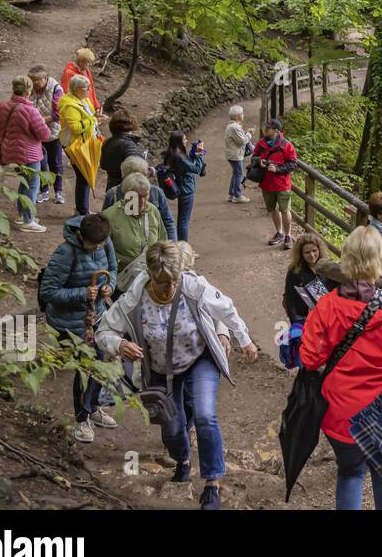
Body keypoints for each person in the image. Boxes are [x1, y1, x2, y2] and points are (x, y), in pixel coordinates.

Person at [97, 241, 258, 510]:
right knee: (172, 428)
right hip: (160, 369)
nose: (171, 287)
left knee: (205, 415)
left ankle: (212, 484)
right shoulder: (133, 300)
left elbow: (226, 308)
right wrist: (119, 345)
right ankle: (182, 461)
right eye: (163, 282)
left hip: (198, 359)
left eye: (175, 280)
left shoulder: (194, 287)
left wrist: (244, 340)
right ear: (149, 275)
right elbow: (104, 331)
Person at [300, 227, 382, 510]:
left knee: (350, 474)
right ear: (380, 260)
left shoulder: (326, 307)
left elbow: (310, 359)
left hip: (342, 413)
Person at [39, 212, 120, 442]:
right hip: (69, 323)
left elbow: (113, 269)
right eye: (90, 245)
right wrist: (82, 293)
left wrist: (109, 287)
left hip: (96, 317)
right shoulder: (66, 253)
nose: (94, 249)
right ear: (81, 236)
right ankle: (82, 418)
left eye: (98, 245)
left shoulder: (105, 242)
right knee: (87, 367)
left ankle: (92, 408)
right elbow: (48, 292)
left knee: (99, 362)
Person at [0, 75, 53, 233]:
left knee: (23, 183)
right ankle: (27, 220)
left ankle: (21, 214)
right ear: (29, 90)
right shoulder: (31, 111)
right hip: (29, 154)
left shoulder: (2, 107)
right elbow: (44, 135)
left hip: (10, 151)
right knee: (32, 185)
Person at [281, 232, 333, 368]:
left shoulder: (328, 268)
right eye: (307, 252)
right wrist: (296, 323)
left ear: (319, 250)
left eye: (314, 251)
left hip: (328, 318)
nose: (312, 255)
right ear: (301, 254)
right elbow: (290, 300)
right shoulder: (295, 272)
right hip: (306, 318)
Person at [104, 172, 167, 281]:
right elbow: (102, 254)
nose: (142, 201)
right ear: (126, 195)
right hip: (122, 279)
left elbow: (162, 240)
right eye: (137, 196)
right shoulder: (109, 217)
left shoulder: (153, 210)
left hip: (151, 277)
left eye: (145, 195)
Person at [57, 74, 102, 216]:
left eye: (89, 87)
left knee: (85, 175)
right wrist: (93, 120)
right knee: (83, 176)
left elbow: (91, 115)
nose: (89, 90)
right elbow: (75, 128)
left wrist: (97, 118)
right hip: (75, 145)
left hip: (85, 142)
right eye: (86, 88)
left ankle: (82, 209)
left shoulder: (84, 99)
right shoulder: (69, 105)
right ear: (76, 89)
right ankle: (82, 211)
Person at [103, 155, 176, 240]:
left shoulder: (156, 192)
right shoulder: (113, 194)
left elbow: (168, 222)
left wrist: (172, 246)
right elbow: (103, 227)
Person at [252, 119, 297, 249]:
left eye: (268, 128)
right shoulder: (261, 144)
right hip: (266, 183)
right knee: (272, 210)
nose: (265, 129)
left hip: (282, 184)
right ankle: (279, 233)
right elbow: (254, 157)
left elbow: (293, 163)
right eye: (265, 127)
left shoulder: (286, 145)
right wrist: (259, 161)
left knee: (285, 210)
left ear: (276, 130)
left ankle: (288, 235)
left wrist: (278, 169)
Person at [28, 65, 65, 206]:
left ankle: (58, 191)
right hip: (36, 133)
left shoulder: (56, 90)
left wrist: (39, 120)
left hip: (53, 132)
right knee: (40, 162)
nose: (34, 83)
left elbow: (58, 114)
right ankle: (44, 191)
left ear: (45, 78)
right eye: (32, 80)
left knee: (55, 163)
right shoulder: (30, 88)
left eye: (37, 80)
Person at [162, 130, 205, 242]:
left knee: (183, 219)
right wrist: (199, 154)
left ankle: (182, 245)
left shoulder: (173, 153)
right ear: (179, 142)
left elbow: (188, 164)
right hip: (186, 189)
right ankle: (184, 247)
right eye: (184, 139)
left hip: (182, 187)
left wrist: (193, 152)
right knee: (184, 220)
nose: (186, 141)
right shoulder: (179, 156)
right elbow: (196, 169)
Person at [100, 109, 145, 188]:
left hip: (111, 185)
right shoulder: (129, 145)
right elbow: (136, 171)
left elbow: (103, 165)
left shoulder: (107, 142)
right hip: (127, 188)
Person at [223, 105, 254, 204]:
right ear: (238, 116)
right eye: (242, 113)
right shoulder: (235, 127)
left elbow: (239, 138)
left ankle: (232, 194)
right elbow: (242, 141)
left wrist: (246, 132)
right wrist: (249, 134)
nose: (243, 115)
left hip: (233, 154)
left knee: (236, 173)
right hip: (235, 155)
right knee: (239, 174)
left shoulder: (233, 126)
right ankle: (237, 195)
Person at [60, 47, 102, 115]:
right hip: (80, 110)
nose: (90, 65)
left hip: (90, 108)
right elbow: (67, 93)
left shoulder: (86, 70)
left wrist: (96, 106)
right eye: (88, 62)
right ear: (81, 62)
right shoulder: (68, 74)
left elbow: (92, 88)